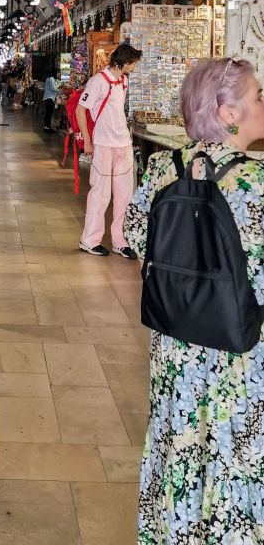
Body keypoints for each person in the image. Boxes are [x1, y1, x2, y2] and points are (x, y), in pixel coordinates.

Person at [124, 57, 264, 545]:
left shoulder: (164, 167)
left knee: (178, 440)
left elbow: (135, 236)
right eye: (258, 96)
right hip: (239, 350)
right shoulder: (255, 183)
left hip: (176, 345)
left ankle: (174, 531)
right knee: (233, 447)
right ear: (228, 113)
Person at [76, 41, 142, 258]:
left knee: (124, 195)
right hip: (103, 144)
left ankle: (120, 241)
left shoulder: (123, 81)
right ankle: (90, 240)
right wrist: (87, 141)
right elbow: (80, 110)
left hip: (124, 144)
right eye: (133, 63)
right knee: (100, 193)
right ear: (124, 62)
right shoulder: (98, 81)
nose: (134, 67)